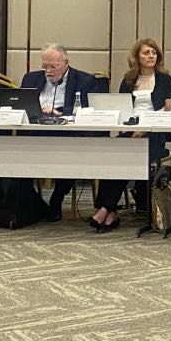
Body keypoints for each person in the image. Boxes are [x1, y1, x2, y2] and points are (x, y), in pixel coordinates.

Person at [88, 39, 171, 234]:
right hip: (130, 129)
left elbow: (169, 110)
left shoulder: (165, 80)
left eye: (154, 52)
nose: (151, 56)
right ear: (137, 57)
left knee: (125, 156)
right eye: (146, 53)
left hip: (155, 132)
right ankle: (110, 211)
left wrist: (146, 128)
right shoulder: (128, 80)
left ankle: (105, 209)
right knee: (114, 154)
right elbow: (121, 108)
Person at [19, 43, 104, 222]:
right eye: (45, 66)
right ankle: (33, 204)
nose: (48, 71)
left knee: (70, 152)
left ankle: (56, 199)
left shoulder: (85, 81)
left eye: (53, 66)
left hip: (68, 134)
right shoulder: (31, 78)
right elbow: (21, 103)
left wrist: (58, 111)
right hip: (36, 132)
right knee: (14, 152)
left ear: (66, 63)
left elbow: (89, 110)